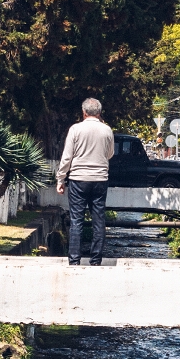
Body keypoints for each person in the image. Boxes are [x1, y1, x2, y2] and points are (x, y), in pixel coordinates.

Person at [56, 97, 115, 266]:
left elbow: (67, 156)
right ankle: (95, 260)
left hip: (78, 179)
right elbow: (109, 154)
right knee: (98, 221)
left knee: (76, 221)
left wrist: (61, 179)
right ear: (99, 112)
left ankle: (74, 260)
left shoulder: (75, 129)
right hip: (100, 179)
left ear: (83, 112)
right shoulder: (107, 130)